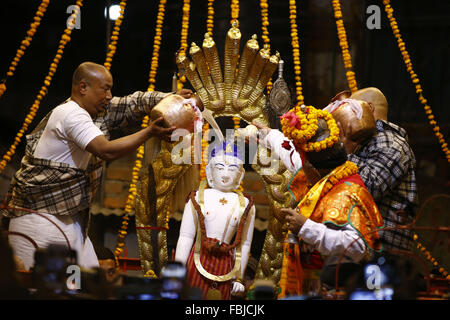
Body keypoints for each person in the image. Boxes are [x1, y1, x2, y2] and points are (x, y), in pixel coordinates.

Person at [1, 61, 194, 271]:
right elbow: (105, 150)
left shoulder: (96, 114)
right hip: (40, 217)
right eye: (106, 89)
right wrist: (149, 132)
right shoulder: (70, 114)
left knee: (87, 282)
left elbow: (134, 103)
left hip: (72, 219)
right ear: (83, 87)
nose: (110, 96)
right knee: (42, 284)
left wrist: (171, 99)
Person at [252, 104, 384, 291]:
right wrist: (269, 135)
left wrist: (305, 227)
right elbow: (293, 157)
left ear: (313, 169)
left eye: (304, 164)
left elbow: (355, 247)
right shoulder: (327, 171)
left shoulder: (344, 195)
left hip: (336, 287)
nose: (300, 168)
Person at [327, 87, 418, 253]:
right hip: (364, 243)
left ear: (369, 108)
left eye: (352, 106)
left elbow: (369, 188)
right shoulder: (368, 141)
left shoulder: (390, 142)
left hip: (384, 249)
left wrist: (345, 151)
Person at [174, 142, 256, 300]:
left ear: (241, 174)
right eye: (219, 167)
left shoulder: (246, 204)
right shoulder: (197, 197)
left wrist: (238, 277)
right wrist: (177, 273)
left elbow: (244, 244)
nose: (225, 174)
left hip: (226, 265)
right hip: (197, 259)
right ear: (209, 171)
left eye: (232, 169)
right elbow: (185, 237)